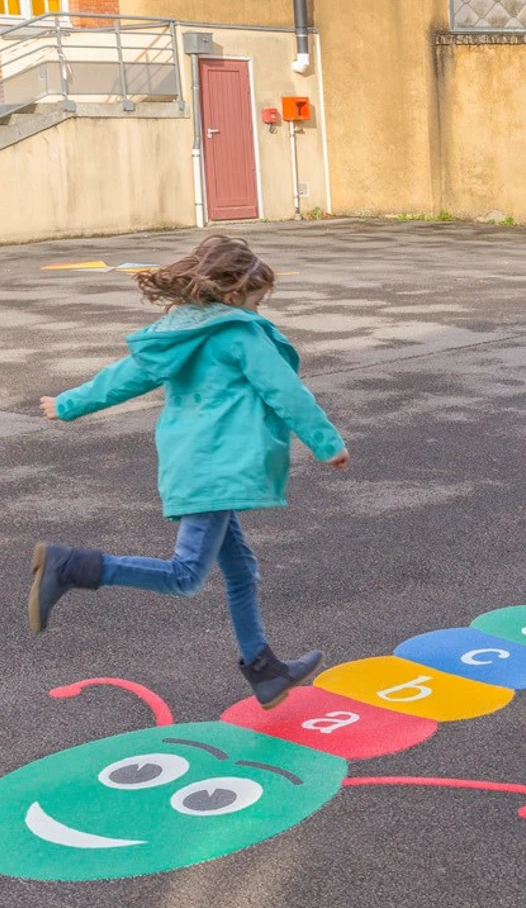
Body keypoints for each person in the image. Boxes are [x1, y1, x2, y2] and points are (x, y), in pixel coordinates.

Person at [27, 235, 349, 709]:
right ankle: (70, 565)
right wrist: (328, 444)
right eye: (257, 302)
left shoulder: (179, 333)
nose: (258, 312)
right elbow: (287, 393)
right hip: (217, 470)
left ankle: (264, 670)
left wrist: (69, 403)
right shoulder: (240, 334)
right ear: (236, 294)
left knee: (241, 570)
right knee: (185, 575)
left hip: (194, 464)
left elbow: (125, 376)